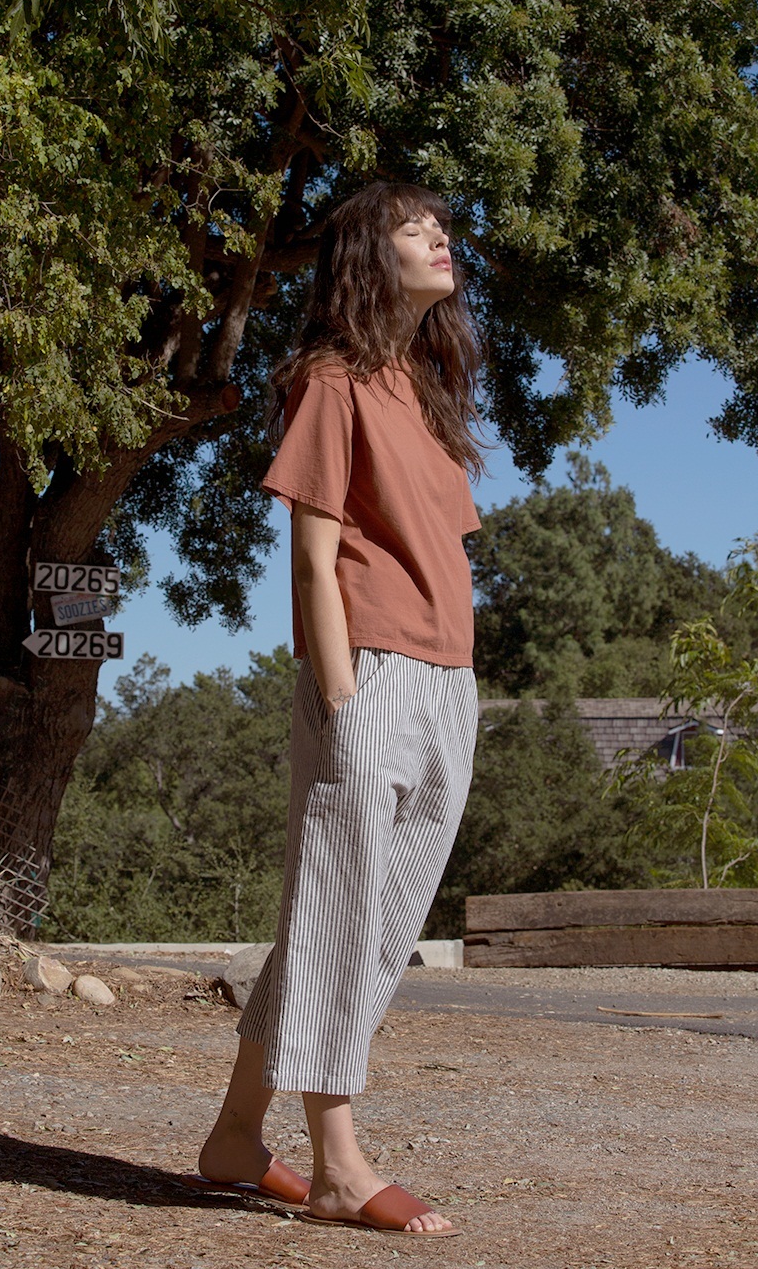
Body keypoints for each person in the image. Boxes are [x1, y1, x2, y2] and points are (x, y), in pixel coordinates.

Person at [185, 181, 484, 1236]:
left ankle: (235, 1136)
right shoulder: (332, 380)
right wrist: (342, 696)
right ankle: (338, 1165)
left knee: (358, 924)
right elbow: (313, 561)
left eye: (440, 227)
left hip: (447, 680)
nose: (438, 238)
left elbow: (444, 552)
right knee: (342, 916)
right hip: (369, 672)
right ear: (367, 254)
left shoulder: (426, 393)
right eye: (413, 227)